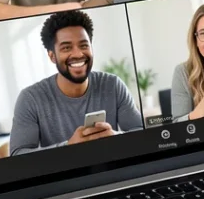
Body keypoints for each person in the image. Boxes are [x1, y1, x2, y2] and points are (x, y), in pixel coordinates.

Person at [8, 10, 142, 155]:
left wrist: (115, 137)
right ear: (52, 56)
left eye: (84, 45)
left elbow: (142, 134)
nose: (78, 54)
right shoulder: (30, 99)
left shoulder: (113, 85)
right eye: (66, 47)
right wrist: (69, 146)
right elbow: (18, 155)